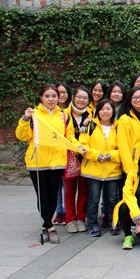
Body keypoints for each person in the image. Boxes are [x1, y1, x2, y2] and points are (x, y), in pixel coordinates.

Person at [15, 83, 84, 244]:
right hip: (37, 162)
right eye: (47, 96)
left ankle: (46, 225)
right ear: (41, 98)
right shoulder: (34, 115)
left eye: (54, 96)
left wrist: (78, 147)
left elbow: (69, 137)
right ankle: (49, 226)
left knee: (53, 196)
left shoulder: (64, 116)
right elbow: (22, 136)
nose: (51, 99)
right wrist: (24, 119)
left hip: (57, 162)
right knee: (42, 196)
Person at [79, 99, 121, 238]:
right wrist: (96, 156)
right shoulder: (90, 125)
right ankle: (92, 224)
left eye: (108, 109)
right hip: (93, 169)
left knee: (112, 199)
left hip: (112, 169)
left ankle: (113, 222)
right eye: (102, 109)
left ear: (113, 111)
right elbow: (82, 145)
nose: (105, 112)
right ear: (98, 111)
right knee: (94, 199)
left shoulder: (118, 127)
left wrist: (110, 156)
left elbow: (123, 148)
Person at [63, 86, 93, 235]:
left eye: (85, 98)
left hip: (86, 157)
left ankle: (80, 218)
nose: (81, 100)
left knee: (84, 189)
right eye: (79, 97)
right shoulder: (64, 114)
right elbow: (66, 135)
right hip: (70, 156)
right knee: (69, 190)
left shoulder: (91, 115)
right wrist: (78, 146)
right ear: (73, 98)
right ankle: (70, 219)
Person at [117, 87, 140, 175]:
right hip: (134, 165)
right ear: (130, 100)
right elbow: (123, 146)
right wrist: (129, 170)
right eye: (134, 98)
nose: (138, 100)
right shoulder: (124, 119)